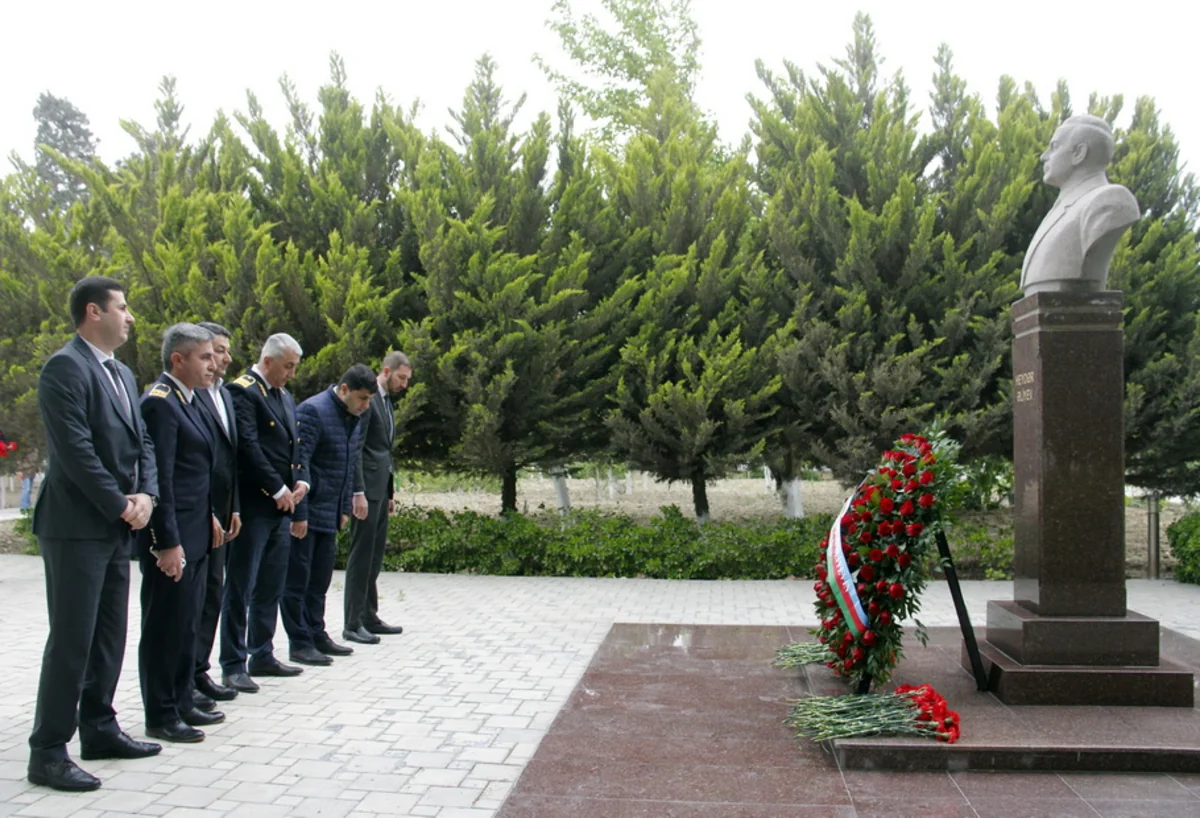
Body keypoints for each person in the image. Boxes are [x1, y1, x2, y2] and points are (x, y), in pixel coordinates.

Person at [27, 276, 161, 792]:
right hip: (75, 528)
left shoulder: (122, 373)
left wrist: (146, 495)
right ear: (93, 312)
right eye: (122, 307)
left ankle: (100, 727)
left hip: (115, 524)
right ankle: (47, 751)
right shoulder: (65, 367)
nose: (130, 316)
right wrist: (121, 505)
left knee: (108, 635)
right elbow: (75, 451)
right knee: (72, 640)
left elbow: (143, 441)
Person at [137, 323, 225, 743]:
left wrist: (209, 516)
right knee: (165, 627)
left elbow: (198, 472)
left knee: (187, 622)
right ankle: (161, 712)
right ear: (178, 359)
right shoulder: (161, 404)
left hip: (195, 531)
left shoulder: (190, 400)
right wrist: (166, 541)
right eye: (205, 357)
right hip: (172, 539)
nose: (214, 365)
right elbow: (162, 481)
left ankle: (182, 698)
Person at [220, 333, 308, 692]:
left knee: (270, 584)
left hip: (281, 507)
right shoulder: (243, 391)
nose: (291, 374)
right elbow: (248, 446)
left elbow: (294, 446)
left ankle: (262, 652)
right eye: (287, 366)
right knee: (240, 586)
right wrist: (276, 487)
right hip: (255, 505)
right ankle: (232, 662)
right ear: (268, 361)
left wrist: (301, 483)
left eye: (294, 367)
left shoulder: (283, 395)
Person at [284, 365, 375, 665]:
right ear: (344, 389)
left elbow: (348, 466)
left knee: (320, 581)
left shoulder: (353, 418)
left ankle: (316, 633)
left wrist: (344, 508)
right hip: (309, 511)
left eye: (369, 400)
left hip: (330, 512)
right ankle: (299, 642)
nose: (365, 406)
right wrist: (299, 513)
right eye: (362, 398)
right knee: (298, 580)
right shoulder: (313, 411)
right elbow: (300, 463)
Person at [1020, 114, 1141, 296]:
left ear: (1079, 153)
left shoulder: (1109, 200)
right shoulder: (1062, 206)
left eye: (1054, 147)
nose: (1044, 157)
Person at [344, 352, 412, 644]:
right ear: (386, 371)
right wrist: (357, 491)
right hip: (366, 491)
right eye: (401, 378)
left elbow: (385, 451)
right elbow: (357, 448)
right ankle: (352, 622)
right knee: (361, 555)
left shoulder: (385, 403)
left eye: (406, 379)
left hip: (380, 489)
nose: (404, 385)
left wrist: (389, 492)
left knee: (374, 556)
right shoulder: (368, 401)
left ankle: (369, 616)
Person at [192, 322, 242, 707]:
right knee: (193, 602)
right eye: (218, 350)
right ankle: (186, 679)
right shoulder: (190, 395)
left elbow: (230, 459)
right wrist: (208, 510)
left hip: (223, 515)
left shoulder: (224, 394)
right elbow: (193, 466)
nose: (225, 358)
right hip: (198, 514)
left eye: (224, 351)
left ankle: (199, 671)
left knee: (213, 596)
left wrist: (234, 507)